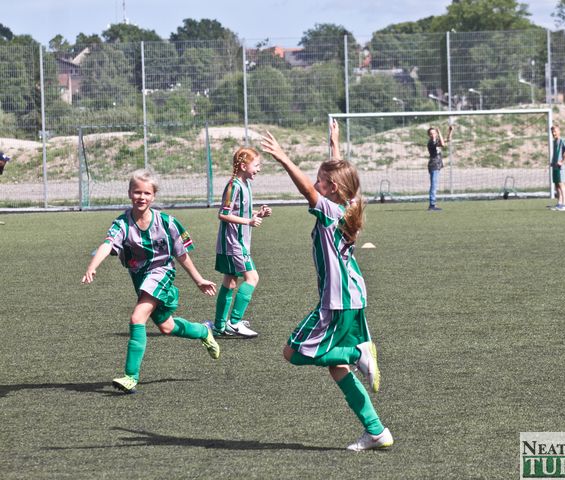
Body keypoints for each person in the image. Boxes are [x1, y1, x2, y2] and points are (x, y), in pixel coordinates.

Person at [260, 121, 393, 452]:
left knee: (293, 352)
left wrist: (283, 158)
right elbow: (339, 175)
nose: (316, 183)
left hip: (336, 301)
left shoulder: (330, 210)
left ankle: (358, 352)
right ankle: (376, 431)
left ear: (331, 187)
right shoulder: (349, 203)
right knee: (337, 369)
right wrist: (334, 144)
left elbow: (309, 190)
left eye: (321, 180)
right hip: (353, 296)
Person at [81, 169, 220, 394]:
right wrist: (92, 266)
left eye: (147, 193)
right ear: (129, 193)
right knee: (167, 327)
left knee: (137, 318)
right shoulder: (122, 223)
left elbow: (181, 254)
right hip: (140, 278)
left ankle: (130, 377)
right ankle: (203, 331)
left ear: (154, 196)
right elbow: (107, 244)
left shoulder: (167, 222)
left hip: (161, 273)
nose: (141, 197)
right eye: (137, 192)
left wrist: (198, 279)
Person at [208, 147, 272, 338]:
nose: (259, 169)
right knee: (252, 278)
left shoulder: (245, 184)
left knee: (230, 281)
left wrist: (258, 214)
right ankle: (235, 322)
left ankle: (219, 326)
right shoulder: (233, 185)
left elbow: (241, 212)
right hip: (233, 243)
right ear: (244, 166)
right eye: (256, 165)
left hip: (238, 242)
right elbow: (223, 214)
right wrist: (249, 222)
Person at [427, 124, 453, 211]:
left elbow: (447, 140)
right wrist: (439, 132)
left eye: (434, 133)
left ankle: (433, 204)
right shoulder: (431, 142)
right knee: (434, 186)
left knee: (434, 185)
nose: (433, 135)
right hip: (433, 165)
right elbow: (443, 144)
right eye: (431, 133)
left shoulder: (436, 141)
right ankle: (432, 205)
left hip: (437, 165)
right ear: (429, 135)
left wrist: (450, 131)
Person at [550, 125, 565, 211]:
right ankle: (559, 203)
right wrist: (552, 161)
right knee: (557, 185)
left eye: (555, 131)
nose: (553, 133)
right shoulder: (554, 141)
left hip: (560, 167)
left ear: (559, 131)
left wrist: (562, 161)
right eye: (552, 132)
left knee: (561, 184)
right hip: (555, 166)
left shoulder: (563, 140)